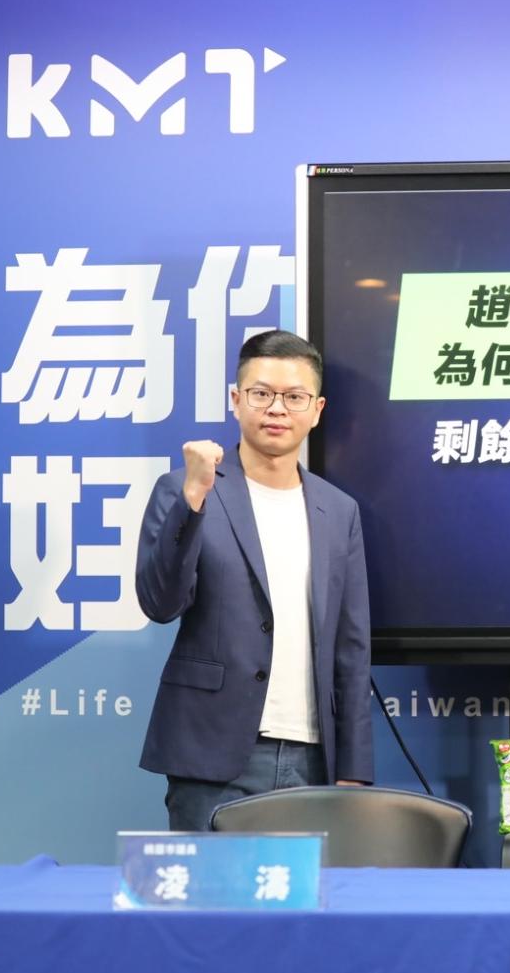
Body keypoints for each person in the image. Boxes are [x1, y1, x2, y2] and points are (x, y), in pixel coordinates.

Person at [136, 329, 374, 831]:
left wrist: (353, 767)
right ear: (236, 399)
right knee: (208, 884)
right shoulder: (183, 491)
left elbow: (351, 647)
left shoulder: (339, 511)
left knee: (306, 887)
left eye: (294, 397)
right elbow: (160, 603)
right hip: (212, 753)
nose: (277, 409)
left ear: (317, 409)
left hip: (313, 758)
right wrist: (193, 498)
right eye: (262, 393)